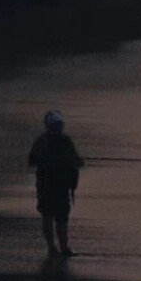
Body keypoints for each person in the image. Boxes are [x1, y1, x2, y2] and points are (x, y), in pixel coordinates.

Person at [27, 110, 84, 257]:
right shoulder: (43, 141)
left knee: (61, 217)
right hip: (47, 185)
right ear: (49, 126)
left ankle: (63, 247)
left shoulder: (65, 141)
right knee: (48, 215)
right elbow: (32, 160)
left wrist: (77, 161)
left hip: (62, 186)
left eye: (59, 125)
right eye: (56, 125)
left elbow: (75, 158)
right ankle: (52, 247)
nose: (58, 128)